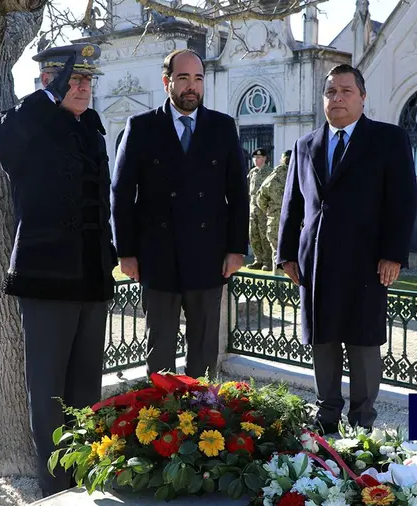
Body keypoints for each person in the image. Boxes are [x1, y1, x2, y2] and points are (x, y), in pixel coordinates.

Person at [0, 43, 116, 498]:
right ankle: (55, 491)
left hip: (91, 279)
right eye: (73, 80)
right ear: (49, 82)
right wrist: (47, 97)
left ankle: (84, 482)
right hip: (47, 280)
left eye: (87, 80)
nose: (83, 87)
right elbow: (0, 139)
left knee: (86, 391)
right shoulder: (28, 127)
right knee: (48, 395)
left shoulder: (92, 130)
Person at [276, 64, 417, 434]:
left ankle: (362, 423)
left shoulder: (388, 139)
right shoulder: (305, 145)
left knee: (362, 341)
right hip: (317, 262)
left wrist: (393, 254)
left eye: (345, 91)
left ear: (362, 97)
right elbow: (292, 204)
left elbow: (403, 200)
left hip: (366, 261)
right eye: (330, 92)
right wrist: (286, 253)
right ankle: (326, 417)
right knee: (322, 340)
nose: (337, 98)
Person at [112, 48, 248, 381]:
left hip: (208, 255)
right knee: (159, 351)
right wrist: (125, 252)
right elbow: (121, 193)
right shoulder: (141, 127)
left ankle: (203, 410)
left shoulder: (222, 127)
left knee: (204, 351)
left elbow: (238, 193)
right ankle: (161, 411)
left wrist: (236, 248)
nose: (192, 86)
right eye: (183, 78)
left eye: (198, 78)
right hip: (158, 256)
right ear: (166, 82)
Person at [256, 149, 292, 273]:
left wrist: (269, 210)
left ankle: (278, 283)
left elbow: (261, 196)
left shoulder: (277, 174)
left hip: (276, 221)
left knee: (278, 253)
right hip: (297, 221)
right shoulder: (300, 172)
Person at [246, 147, 273, 270]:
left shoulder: (269, 172)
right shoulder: (252, 172)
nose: (256, 160)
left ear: (265, 158)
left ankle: (268, 261)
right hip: (253, 210)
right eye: (255, 158)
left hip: (263, 210)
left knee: (264, 236)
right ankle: (258, 260)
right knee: (254, 235)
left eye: (259, 157)